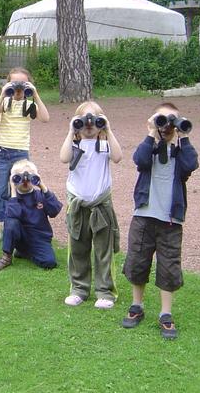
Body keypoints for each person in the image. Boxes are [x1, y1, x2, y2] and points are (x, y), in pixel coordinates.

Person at [121, 102, 198, 339]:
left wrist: (183, 136)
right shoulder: (150, 147)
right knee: (137, 261)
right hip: (144, 215)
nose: (166, 125)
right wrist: (151, 133)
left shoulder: (180, 153)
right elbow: (140, 160)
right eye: (161, 120)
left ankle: (166, 313)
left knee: (169, 265)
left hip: (170, 220)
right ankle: (137, 305)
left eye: (171, 120)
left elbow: (191, 164)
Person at [60, 101, 123, 309]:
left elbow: (118, 157)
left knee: (103, 251)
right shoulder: (74, 145)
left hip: (100, 205)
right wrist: (72, 131)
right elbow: (63, 158)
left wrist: (108, 130)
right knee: (78, 249)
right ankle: (79, 289)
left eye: (95, 120)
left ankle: (105, 291)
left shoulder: (104, 145)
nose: (89, 124)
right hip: (78, 205)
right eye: (83, 119)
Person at [0, 67, 50, 246]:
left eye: (23, 84)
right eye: (14, 83)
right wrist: (3, 94)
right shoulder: (5, 102)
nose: (18, 88)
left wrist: (35, 94)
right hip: (2, 151)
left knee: (23, 189)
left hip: (21, 153)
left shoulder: (30, 105)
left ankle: (19, 225)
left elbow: (45, 118)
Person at [0, 160, 62, 271]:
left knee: (49, 262)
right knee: (11, 221)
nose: (25, 180)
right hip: (20, 237)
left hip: (39, 238)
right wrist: (13, 189)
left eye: (30, 177)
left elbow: (54, 211)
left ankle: (25, 252)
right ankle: (6, 257)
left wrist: (42, 186)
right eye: (19, 177)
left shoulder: (40, 195)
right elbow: (13, 215)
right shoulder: (11, 199)